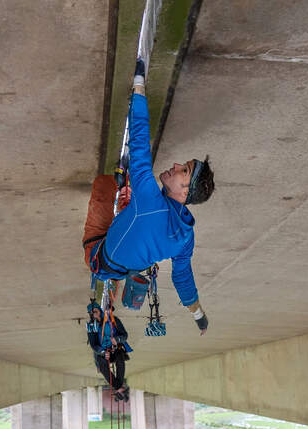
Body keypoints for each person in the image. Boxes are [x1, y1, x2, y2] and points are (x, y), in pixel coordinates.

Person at [82, 58, 215, 334]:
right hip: (122, 261)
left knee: (104, 185)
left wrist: (139, 84)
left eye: (184, 170)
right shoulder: (185, 236)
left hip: (97, 250)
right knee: (131, 190)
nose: (177, 165)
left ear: (184, 192)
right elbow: (182, 278)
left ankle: (120, 196)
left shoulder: (152, 202)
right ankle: (125, 200)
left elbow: (139, 142)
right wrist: (198, 315)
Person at [86, 303, 131, 401]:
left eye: (95, 311)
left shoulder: (114, 320)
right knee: (107, 364)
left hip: (113, 350)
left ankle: (118, 388)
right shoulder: (91, 326)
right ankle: (118, 388)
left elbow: (125, 335)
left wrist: (117, 339)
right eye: (91, 313)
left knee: (115, 360)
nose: (93, 314)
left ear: (100, 310)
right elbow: (93, 345)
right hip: (103, 353)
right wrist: (102, 352)